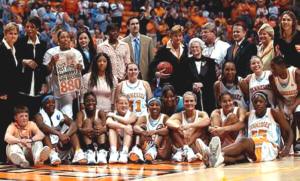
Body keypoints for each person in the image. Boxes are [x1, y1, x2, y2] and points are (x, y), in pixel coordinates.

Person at [201, 92, 293, 167]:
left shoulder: (273, 112)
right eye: (255, 102)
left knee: (243, 141)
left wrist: (287, 148)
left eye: (261, 101)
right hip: (252, 148)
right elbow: (239, 125)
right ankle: (214, 160)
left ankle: (211, 152)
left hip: (268, 146)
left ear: (266, 102)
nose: (258, 104)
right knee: (236, 158)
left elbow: (289, 131)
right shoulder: (249, 115)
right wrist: (223, 129)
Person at [34, 95, 87, 165]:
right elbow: (42, 126)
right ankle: (52, 155)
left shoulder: (58, 113)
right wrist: (59, 134)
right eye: (48, 103)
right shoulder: (39, 115)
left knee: (72, 132)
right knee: (44, 133)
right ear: (43, 105)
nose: (51, 104)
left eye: (53, 102)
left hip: (60, 146)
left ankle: (78, 153)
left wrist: (65, 135)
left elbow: (74, 123)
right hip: (47, 149)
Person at [43, 30, 84, 119]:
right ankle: (55, 132)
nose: (65, 39)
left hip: (69, 91)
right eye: (62, 37)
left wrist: (79, 67)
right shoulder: (50, 52)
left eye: (67, 37)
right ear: (58, 40)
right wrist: (52, 62)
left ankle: (64, 133)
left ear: (70, 40)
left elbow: (80, 71)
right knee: (53, 116)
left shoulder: (77, 53)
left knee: (68, 115)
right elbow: (46, 72)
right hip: (54, 90)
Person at [16, 16, 48, 119]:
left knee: (34, 116)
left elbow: (43, 67)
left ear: (37, 28)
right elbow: (14, 61)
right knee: (22, 116)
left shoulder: (43, 44)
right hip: (23, 84)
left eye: (32, 27)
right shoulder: (20, 42)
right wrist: (24, 61)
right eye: (27, 27)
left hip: (37, 85)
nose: (29, 29)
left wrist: (44, 82)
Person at [166, 91, 210, 162]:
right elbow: (168, 122)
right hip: (182, 143)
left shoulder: (201, 113)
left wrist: (190, 126)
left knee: (200, 123)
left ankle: (185, 149)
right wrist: (179, 127)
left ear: (195, 102)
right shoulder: (180, 115)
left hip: (195, 145)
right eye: (186, 101)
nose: (189, 103)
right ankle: (186, 149)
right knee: (174, 125)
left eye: (191, 101)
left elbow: (207, 120)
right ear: (183, 103)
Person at [0, 22, 22, 162]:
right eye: (10, 33)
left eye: (15, 33)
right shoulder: (1, 49)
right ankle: (1, 156)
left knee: (8, 123)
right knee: (2, 123)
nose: (13, 36)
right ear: (5, 34)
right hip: (3, 93)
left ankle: (6, 155)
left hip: (12, 93)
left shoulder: (13, 49)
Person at [269, 56, 300, 151]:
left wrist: (293, 107)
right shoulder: (272, 78)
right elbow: (278, 96)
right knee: (281, 116)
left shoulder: (296, 73)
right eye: (271, 68)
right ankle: (288, 144)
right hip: (285, 102)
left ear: (282, 66)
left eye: (274, 67)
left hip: (298, 100)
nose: (272, 70)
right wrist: (282, 109)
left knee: (298, 112)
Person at [148, 25, 188, 94]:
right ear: (171, 36)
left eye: (180, 36)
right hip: (168, 85)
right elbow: (152, 66)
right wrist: (156, 73)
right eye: (175, 36)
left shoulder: (185, 48)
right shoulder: (163, 50)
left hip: (183, 84)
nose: (178, 38)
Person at [129, 97, 171, 162]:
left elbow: (168, 130)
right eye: (152, 105)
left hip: (159, 147)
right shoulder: (144, 117)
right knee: (141, 128)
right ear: (148, 107)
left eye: (157, 105)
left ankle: (153, 151)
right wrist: (143, 132)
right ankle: (137, 150)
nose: (154, 107)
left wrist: (155, 131)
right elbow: (135, 127)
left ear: (160, 107)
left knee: (162, 129)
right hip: (145, 145)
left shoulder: (164, 117)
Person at [182, 38, 217, 114]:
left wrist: (203, 84)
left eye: (196, 47)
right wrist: (192, 85)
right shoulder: (185, 62)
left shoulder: (210, 62)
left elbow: (213, 78)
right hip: (192, 95)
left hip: (207, 94)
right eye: (192, 47)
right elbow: (183, 79)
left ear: (201, 48)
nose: (195, 49)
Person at [76, 92, 108, 164]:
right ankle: (90, 151)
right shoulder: (81, 113)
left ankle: (101, 151)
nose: (90, 103)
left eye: (93, 100)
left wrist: (100, 130)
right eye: (88, 101)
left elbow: (106, 128)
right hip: (86, 140)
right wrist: (86, 130)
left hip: (99, 137)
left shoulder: (100, 112)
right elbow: (78, 128)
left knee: (98, 122)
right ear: (84, 103)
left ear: (96, 102)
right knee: (87, 121)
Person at [106, 95, 137, 163]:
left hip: (129, 143)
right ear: (116, 105)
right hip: (117, 142)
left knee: (129, 126)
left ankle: (124, 153)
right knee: (112, 128)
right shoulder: (113, 113)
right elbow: (108, 122)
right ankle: (113, 152)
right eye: (121, 103)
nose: (123, 105)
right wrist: (124, 127)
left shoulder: (133, 114)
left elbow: (127, 121)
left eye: (126, 103)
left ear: (129, 105)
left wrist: (114, 116)